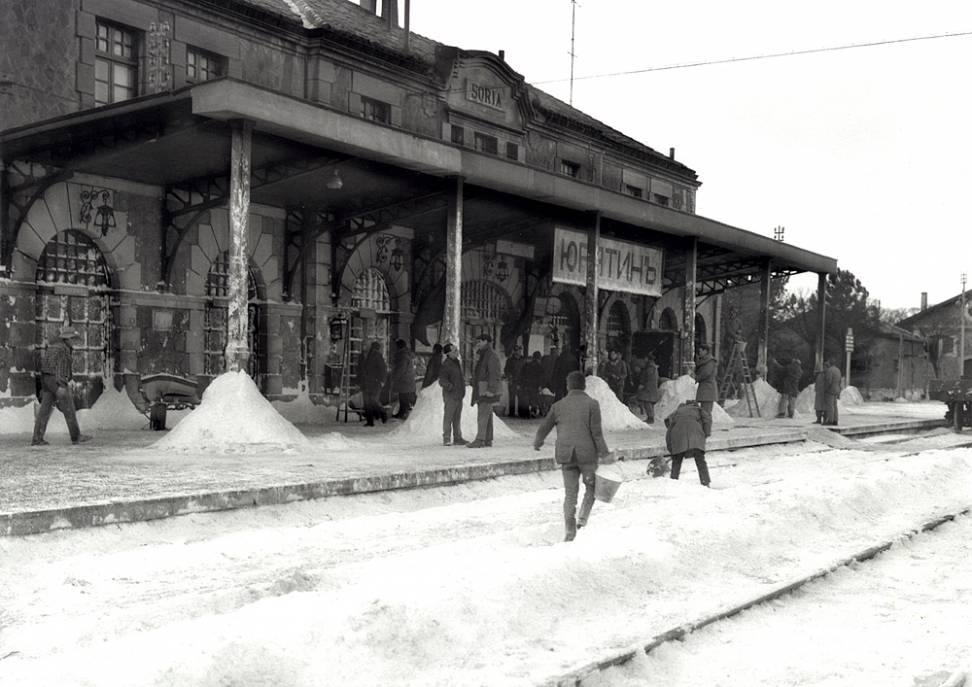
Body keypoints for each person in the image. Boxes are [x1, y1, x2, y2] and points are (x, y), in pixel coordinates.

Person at [534, 371, 612, 542]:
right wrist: (605, 453)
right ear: (584, 386)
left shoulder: (558, 405)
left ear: (568, 386)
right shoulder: (592, 404)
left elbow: (544, 426)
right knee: (591, 488)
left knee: (570, 494)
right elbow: (596, 433)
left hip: (566, 455)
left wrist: (538, 441)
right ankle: (582, 519)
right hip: (587, 456)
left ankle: (569, 529)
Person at [31, 326, 92, 446]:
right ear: (67, 338)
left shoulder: (53, 346)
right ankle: (76, 437)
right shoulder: (63, 349)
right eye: (73, 338)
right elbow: (60, 367)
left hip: (46, 380)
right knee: (69, 408)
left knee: (45, 410)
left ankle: (37, 438)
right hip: (57, 380)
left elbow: (45, 365)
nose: (74, 341)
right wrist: (62, 383)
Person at [665, 400, 712, 487]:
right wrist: (705, 434)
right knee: (700, 459)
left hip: (678, 434)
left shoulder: (676, 412)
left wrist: (672, 450)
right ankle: (705, 482)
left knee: (677, 460)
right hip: (695, 434)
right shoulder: (698, 410)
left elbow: (669, 431)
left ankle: (673, 481)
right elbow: (707, 419)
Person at [467, 333, 501, 448]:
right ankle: (487, 439)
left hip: (486, 389)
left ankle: (480, 439)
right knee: (487, 414)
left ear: (486, 341)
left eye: (480, 341)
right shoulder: (484, 355)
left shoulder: (491, 356)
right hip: (482, 387)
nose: (478, 344)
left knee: (482, 413)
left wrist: (491, 389)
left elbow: (494, 373)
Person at [437, 343, 466, 446]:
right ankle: (446, 438)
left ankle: (458, 438)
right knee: (448, 417)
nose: (457, 351)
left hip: (458, 395)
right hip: (451, 396)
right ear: (448, 353)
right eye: (454, 350)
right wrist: (450, 387)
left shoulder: (456, 363)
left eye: (456, 350)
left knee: (457, 418)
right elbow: (442, 380)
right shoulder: (446, 364)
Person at [358, 341, 387, 426]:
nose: (363, 347)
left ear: (369, 346)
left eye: (365, 345)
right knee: (367, 402)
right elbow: (359, 370)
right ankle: (370, 421)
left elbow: (383, 368)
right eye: (362, 345)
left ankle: (383, 413)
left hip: (375, 382)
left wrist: (382, 381)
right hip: (365, 382)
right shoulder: (361, 356)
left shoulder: (376, 355)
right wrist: (358, 381)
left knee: (374, 400)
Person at [391, 338, 416, 420]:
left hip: (405, 381)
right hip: (407, 380)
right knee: (403, 397)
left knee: (406, 397)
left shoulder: (403, 356)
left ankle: (408, 413)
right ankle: (402, 413)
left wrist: (394, 377)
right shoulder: (406, 354)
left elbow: (401, 369)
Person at [694, 344, 718, 415]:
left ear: (705, 351)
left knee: (706, 413)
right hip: (705, 389)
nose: (699, 353)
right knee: (704, 412)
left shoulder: (710, 361)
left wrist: (697, 377)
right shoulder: (705, 361)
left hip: (708, 390)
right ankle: (705, 425)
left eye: (701, 351)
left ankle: (707, 425)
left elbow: (706, 373)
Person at [504, 343, 526, 418]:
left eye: (519, 350)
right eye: (516, 350)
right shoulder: (510, 360)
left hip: (521, 381)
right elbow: (506, 370)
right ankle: (512, 413)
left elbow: (526, 370)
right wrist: (509, 376)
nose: (518, 352)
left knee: (521, 397)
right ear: (514, 351)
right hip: (512, 381)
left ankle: (521, 413)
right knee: (512, 398)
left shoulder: (523, 360)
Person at [636, 353, 660, 423]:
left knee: (647, 402)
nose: (644, 360)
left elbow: (648, 377)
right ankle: (650, 417)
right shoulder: (652, 366)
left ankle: (650, 417)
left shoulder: (650, 367)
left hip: (648, 387)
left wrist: (643, 384)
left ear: (648, 359)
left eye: (645, 358)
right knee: (649, 402)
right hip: (650, 387)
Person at [520, 351, 544, 418]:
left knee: (526, 400)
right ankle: (533, 412)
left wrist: (522, 383)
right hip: (534, 385)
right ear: (539, 357)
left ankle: (526, 414)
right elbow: (540, 377)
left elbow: (522, 374)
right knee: (533, 399)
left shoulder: (526, 365)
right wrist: (540, 385)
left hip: (526, 384)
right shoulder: (539, 366)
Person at [824, 358, 842, 426]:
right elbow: (840, 381)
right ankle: (835, 420)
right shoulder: (838, 370)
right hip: (836, 389)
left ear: (830, 363)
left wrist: (825, 388)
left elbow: (829, 381)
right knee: (835, 405)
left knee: (830, 406)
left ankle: (830, 420)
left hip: (830, 390)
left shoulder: (830, 370)